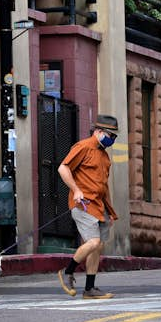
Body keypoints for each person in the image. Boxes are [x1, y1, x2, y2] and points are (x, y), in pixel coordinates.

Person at [56, 114, 119, 299]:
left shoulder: (105, 157)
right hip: (83, 204)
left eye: (115, 136)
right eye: (110, 134)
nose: (112, 139)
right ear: (98, 131)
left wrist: (111, 212)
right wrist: (75, 190)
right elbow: (63, 168)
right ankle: (67, 271)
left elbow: (103, 186)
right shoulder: (83, 147)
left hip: (100, 206)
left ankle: (89, 289)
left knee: (97, 247)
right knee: (93, 242)